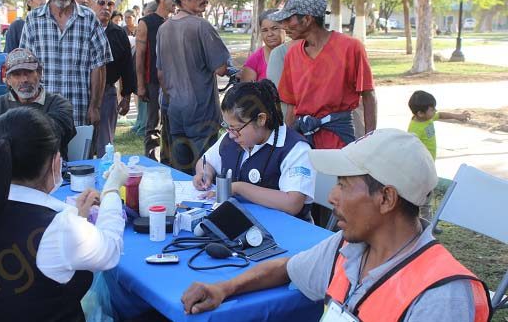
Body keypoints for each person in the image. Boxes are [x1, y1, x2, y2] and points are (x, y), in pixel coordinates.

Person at [181, 128, 491, 321]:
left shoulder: (440, 296)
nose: (331, 197)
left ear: (386, 198)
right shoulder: (349, 245)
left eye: (343, 184)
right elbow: (287, 268)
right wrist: (223, 287)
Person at [0, 107, 129, 321]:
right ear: (55, 162)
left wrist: (77, 218)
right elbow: (110, 250)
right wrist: (112, 189)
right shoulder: (57, 227)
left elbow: (35, 247)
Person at [194, 80, 315, 220]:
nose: (231, 134)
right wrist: (205, 174)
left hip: (285, 230)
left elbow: (293, 203)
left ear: (261, 119)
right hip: (240, 223)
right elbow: (205, 161)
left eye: (236, 128)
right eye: (228, 127)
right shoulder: (232, 139)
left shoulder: (295, 149)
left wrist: (238, 188)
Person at [272, 0, 377, 149]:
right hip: (304, 140)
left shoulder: (350, 48)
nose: (284, 26)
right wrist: (287, 145)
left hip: (341, 140)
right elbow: (292, 108)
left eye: (288, 19)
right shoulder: (292, 55)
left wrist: (370, 141)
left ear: (307, 19)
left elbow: (368, 96)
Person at [156, 0, 230, 175]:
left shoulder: (163, 29)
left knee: (181, 174)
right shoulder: (202, 26)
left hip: (175, 111)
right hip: (202, 112)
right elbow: (221, 68)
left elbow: (160, 74)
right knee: (206, 174)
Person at [20, 0, 112, 127]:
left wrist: (95, 107)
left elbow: (99, 65)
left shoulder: (89, 18)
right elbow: (25, 66)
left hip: (79, 109)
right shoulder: (33, 19)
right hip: (43, 111)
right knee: (45, 147)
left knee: (80, 148)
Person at [0, 48, 76, 159]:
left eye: (29, 72)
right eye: (17, 74)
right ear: (8, 80)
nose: (24, 79)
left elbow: (52, 138)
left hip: (49, 171)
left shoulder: (59, 104)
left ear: (39, 74)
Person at [91, 0, 135, 156]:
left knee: (105, 146)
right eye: (101, 3)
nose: (106, 7)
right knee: (82, 143)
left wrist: (126, 96)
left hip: (108, 94)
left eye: (110, 4)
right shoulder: (82, 29)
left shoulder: (118, 33)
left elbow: (127, 66)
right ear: (92, 4)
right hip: (82, 93)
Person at [136, 0, 175, 164]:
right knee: (153, 126)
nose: (175, 1)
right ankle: (151, 163)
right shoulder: (146, 22)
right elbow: (139, 57)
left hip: (175, 83)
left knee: (172, 125)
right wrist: (140, 85)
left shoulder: (175, 22)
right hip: (153, 82)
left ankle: (168, 163)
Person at [407, 90, 471, 160]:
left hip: (431, 159)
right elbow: (410, 149)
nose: (435, 111)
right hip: (423, 164)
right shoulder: (414, 130)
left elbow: (440, 115)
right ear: (420, 113)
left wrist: (458, 116)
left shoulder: (427, 118)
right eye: (432, 110)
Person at [240, 9, 285, 82]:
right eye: (265, 30)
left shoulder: (297, 53)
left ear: (284, 28)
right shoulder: (254, 60)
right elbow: (247, 92)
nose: (270, 34)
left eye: (274, 28)